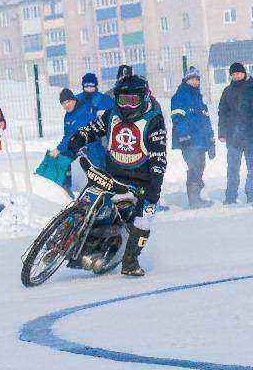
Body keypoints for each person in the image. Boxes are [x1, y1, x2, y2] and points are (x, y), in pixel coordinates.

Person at [66, 74, 167, 277]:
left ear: (144, 98)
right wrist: (79, 137)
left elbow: (159, 158)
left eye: (133, 101)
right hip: (112, 172)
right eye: (122, 100)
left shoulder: (154, 120)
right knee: (86, 202)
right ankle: (64, 238)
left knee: (144, 219)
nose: (127, 106)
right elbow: (93, 128)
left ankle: (130, 262)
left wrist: (154, 188)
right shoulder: (111, 114)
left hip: (141, 181)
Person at [170, 66, 217, 208]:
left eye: (197, 79)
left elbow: (206, 121)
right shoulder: (180, 96)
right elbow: (178, 119)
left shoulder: (199, 97)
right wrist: (184, 136)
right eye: (192, 79)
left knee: (200, 166)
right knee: (194, 167)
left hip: (201, 140)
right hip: (189, 141)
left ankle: (197, 196)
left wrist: (211, 141)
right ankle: (194, 199)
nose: (195, 82)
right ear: (186, 80)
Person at [217, 62, 253, 204]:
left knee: (252, 168)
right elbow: (222, 112)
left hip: (250, 136)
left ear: (244, 73)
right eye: (234, 74)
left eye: (239, 73)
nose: (237, 76)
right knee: (232, 169)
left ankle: (251, 195)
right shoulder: (227, 91)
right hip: (233, 137)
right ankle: (230, 197)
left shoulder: (251, 88)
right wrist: (222, 132)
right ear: (231, 76)